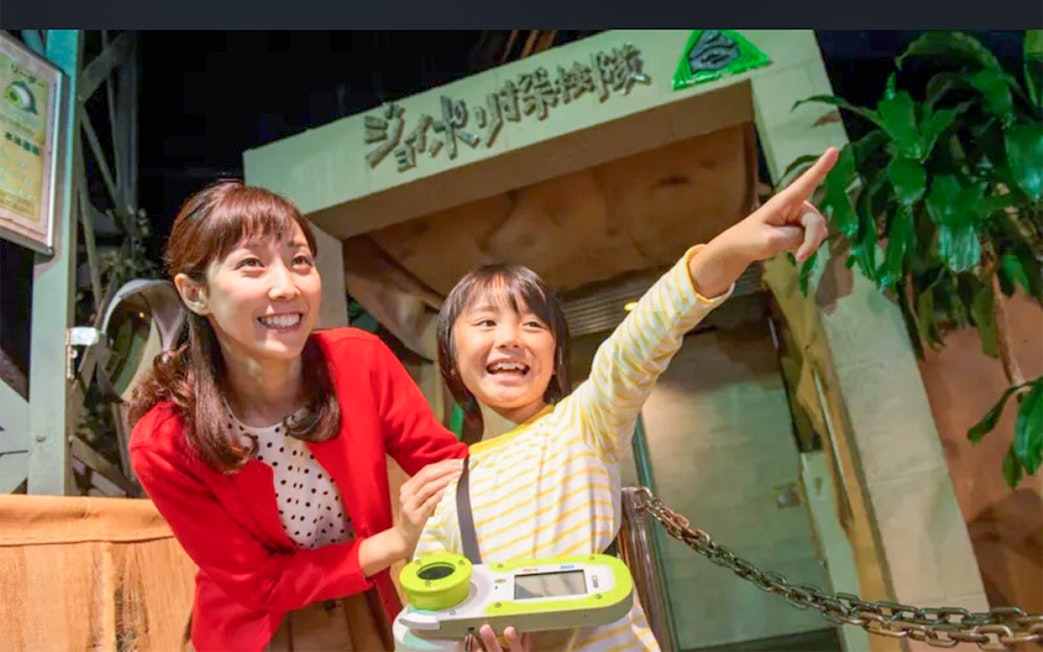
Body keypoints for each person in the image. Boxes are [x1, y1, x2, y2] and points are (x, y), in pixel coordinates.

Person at [414, 149, 839, 650]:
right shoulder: (449, 490)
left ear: (555, 356)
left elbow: (640, 339)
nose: (510, 338)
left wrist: (731, 250)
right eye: (486, 323)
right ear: (450, 355)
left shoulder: (582, 423)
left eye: (532, 324)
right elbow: (426, 626)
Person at [128, 181, 468, 651]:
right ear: (194, 293)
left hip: (366, 602)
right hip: (256, 630)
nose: (286, 286)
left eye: (300, 260)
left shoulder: (360, 361)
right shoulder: (162, 441)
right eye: (251, 264)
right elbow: (256, 582)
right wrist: (397, 541)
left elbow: (447, 465)